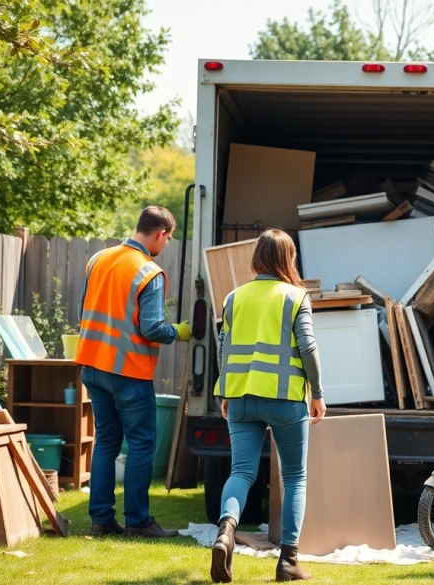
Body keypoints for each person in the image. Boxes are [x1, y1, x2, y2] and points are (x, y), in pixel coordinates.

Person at [210, 228, 326, 584]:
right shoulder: (295, 296)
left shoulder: (234, 298)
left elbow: (223, 349)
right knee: (294, 478)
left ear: (258, 257)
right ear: (287, 258)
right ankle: (288, 562)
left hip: (241, 398)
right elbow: (307, 348)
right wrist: (318, 393)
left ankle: (226, 531)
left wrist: (225, 393)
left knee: (242, 473)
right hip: (285, 400)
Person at [75, 205, 192, 538]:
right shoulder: (148, 272)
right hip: (127, 371)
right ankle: (139, 522)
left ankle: (101, 520)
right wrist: (179, 332)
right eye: (168, 239)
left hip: (93, 366)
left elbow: (87, 309)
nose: (166, 245)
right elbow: (153, 327)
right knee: (141, 444)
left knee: (106, 442)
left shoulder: (98, 259)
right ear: (160, 234)